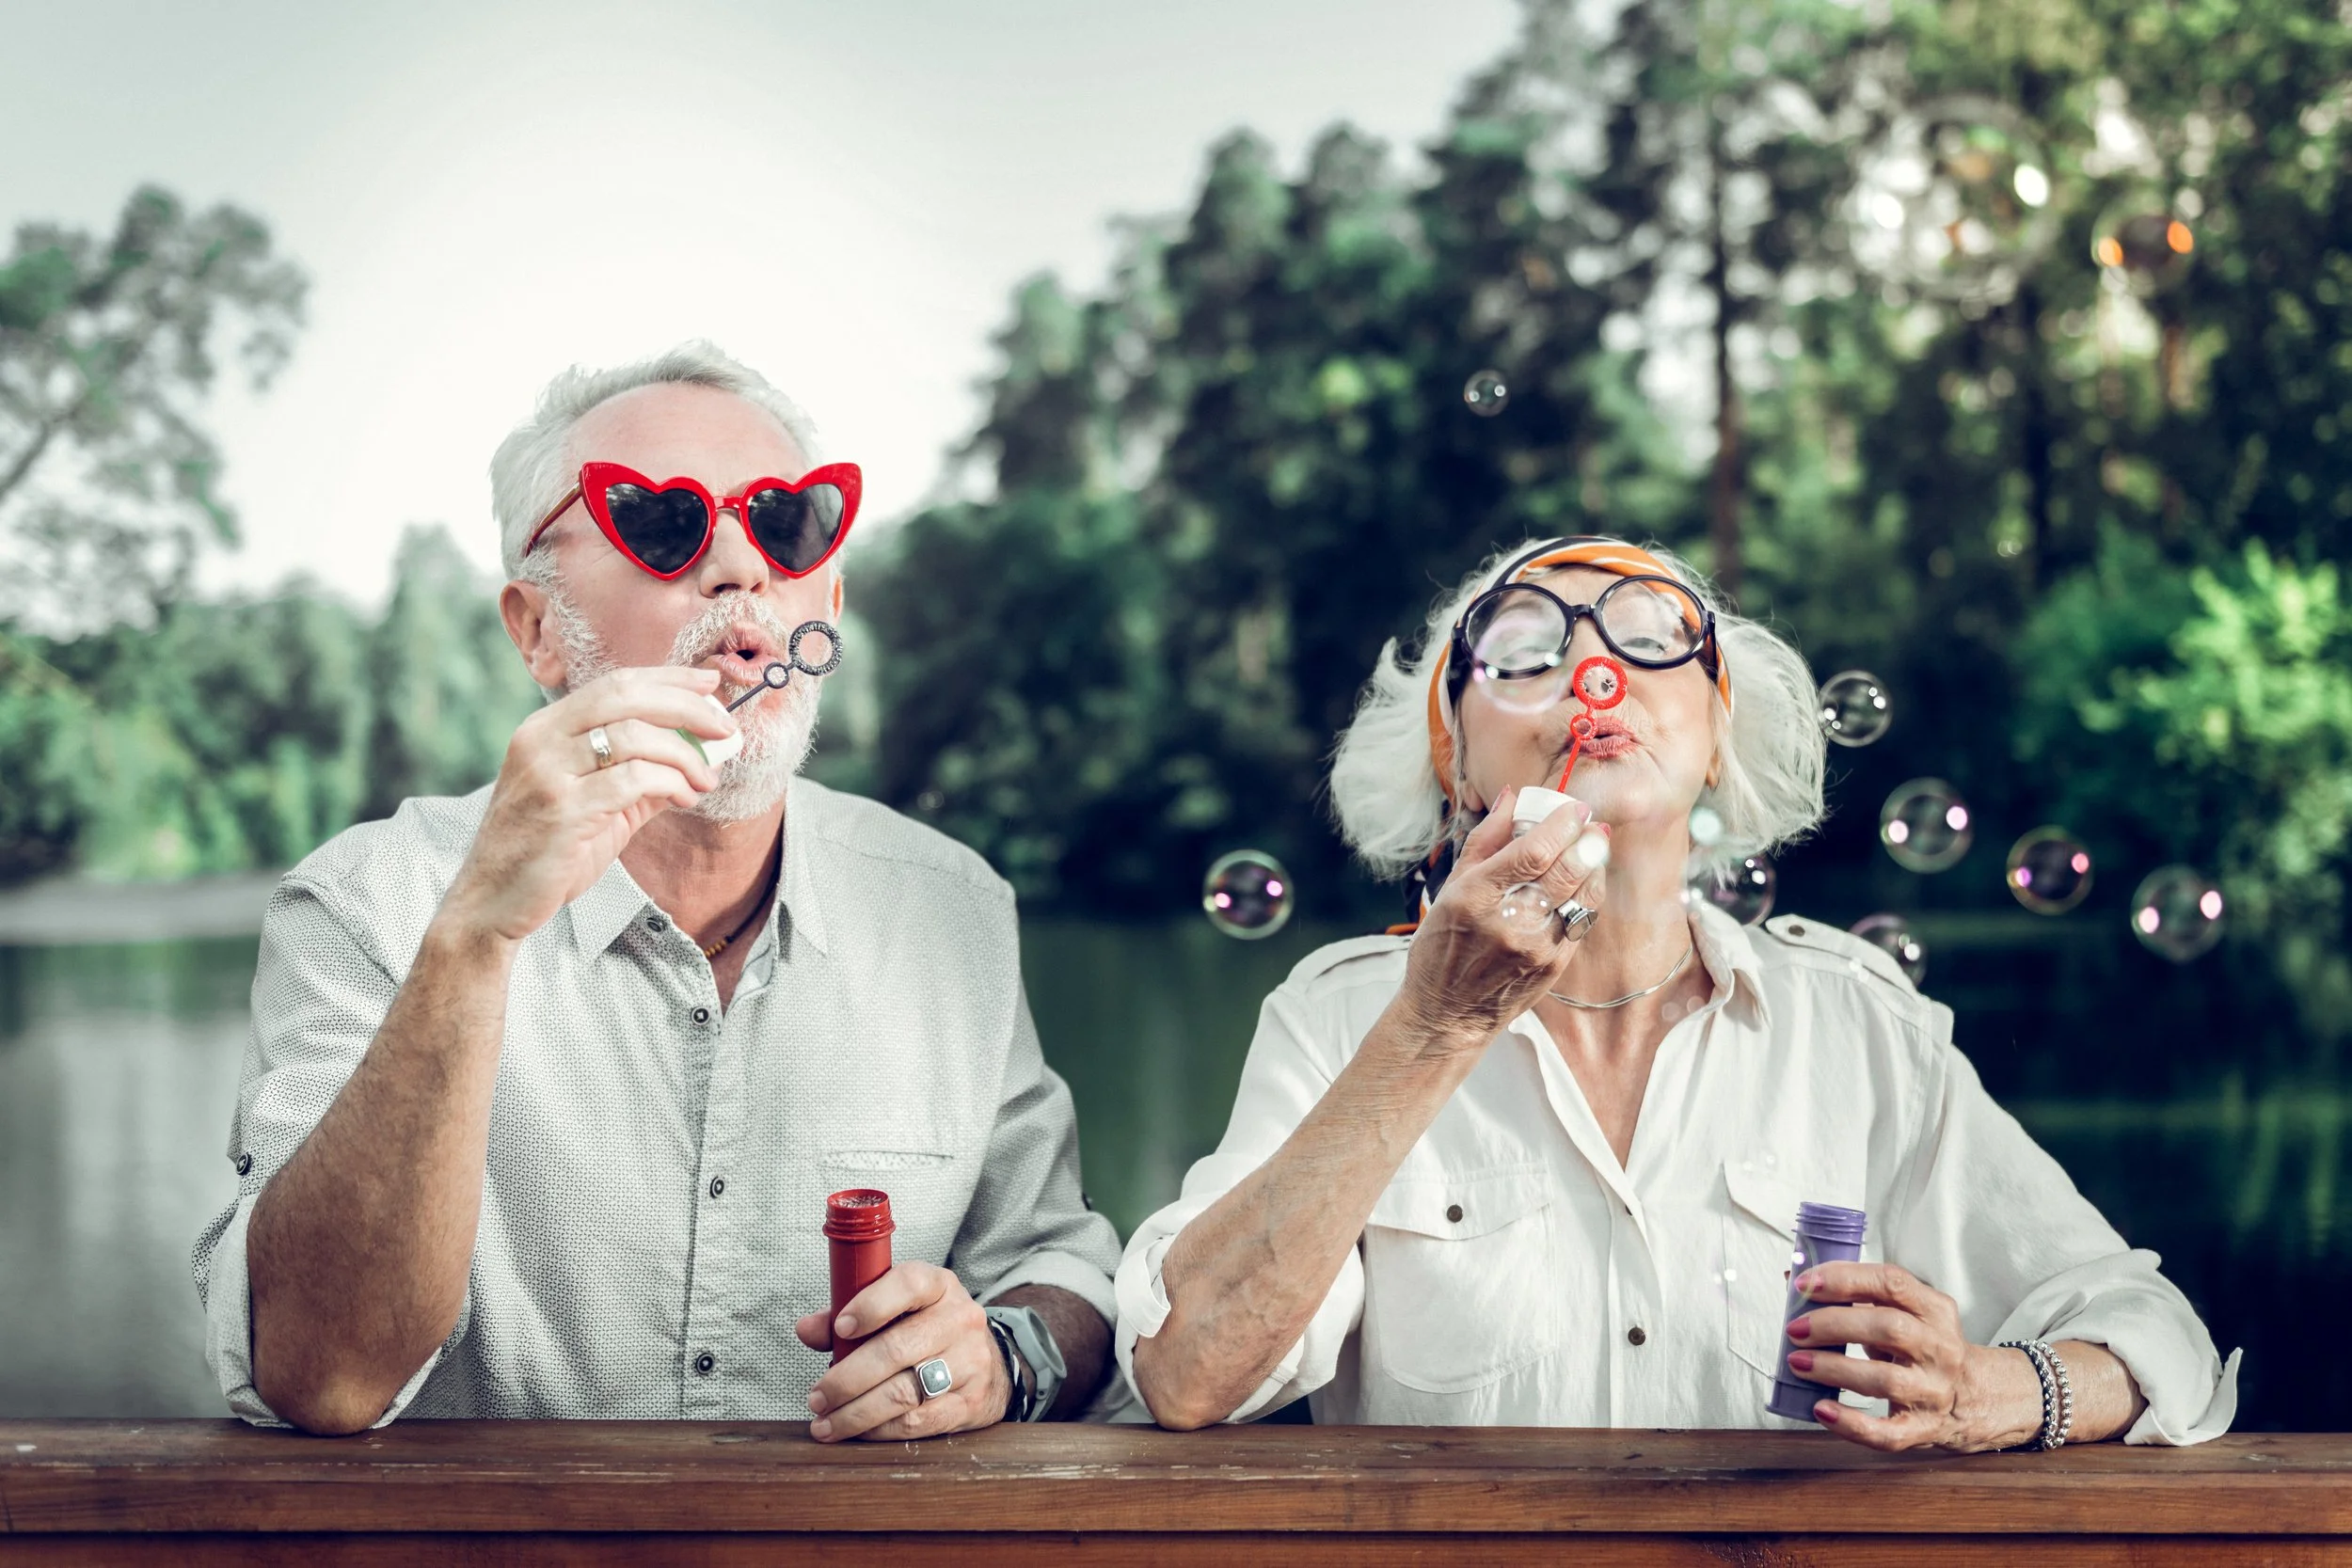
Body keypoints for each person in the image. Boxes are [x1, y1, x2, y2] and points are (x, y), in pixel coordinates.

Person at [1118, 536, 2238, 1449]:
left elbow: (2152, 1336)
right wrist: (1432, 1025)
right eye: (1523, 648)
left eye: (1651, 636)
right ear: (1454, 760)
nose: (1592, 671)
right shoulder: (1338, 1020)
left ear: (1714, 740)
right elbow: (1188, 1367)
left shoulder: (1851, 1023)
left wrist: (1995, 1392)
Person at [194, 341, 1120, 1438]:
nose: (739, 565)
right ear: (537, 628)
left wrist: (1002, 1353)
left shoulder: (949, 906)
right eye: (667, 523)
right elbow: (321, 1375)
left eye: (785, 523)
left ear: (825, 592)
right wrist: (475, 940)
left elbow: (1059, 1265)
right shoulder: (367, 904)